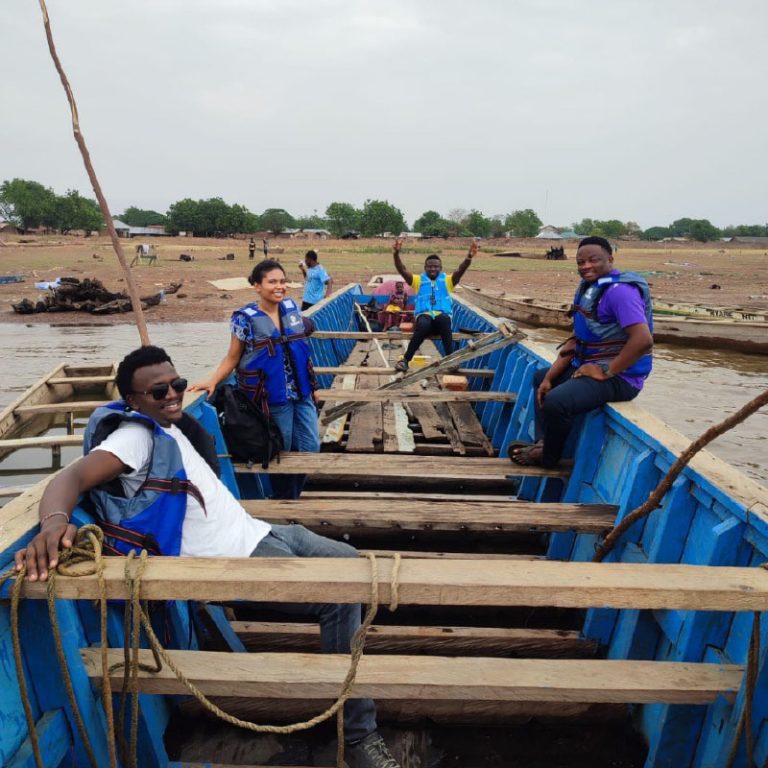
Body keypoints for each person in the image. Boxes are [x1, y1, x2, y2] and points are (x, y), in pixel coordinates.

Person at [14, 345, 400, 768]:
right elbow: (71, 475)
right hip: (236, 560)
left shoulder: (170, 422)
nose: (172, 395)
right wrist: (53, 522)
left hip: (264, 532)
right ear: (133, 401)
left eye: (176, 384)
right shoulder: (134, 437)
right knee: (341, 596)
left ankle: (342, 669)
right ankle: (358, 736)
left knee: (355, 564)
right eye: (158, 391)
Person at [509, 236, 653, 468]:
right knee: (541, 379)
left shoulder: (620, 292)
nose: (586, 266)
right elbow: (577, 342)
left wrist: (606, 371)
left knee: (557, 401)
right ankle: (544, 442)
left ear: (610, 259)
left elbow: (643, 340)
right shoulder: (590, 288)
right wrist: (549, 377)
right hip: (590, 366)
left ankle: (549, 457)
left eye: (593, 260)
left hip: (622, 378)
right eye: (580, 262)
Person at [190, 259, 320, 499]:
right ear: (257, 286)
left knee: (311, 446)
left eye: (282, 281)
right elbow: (232, 357)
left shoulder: (290, 308)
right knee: (281, 451)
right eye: (272, 282)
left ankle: (295, 493)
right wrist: (212, 380)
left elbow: (300, 347)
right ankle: (286, 500)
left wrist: (314, 389)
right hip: (271, 398)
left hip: (301, 394)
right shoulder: (244, 319)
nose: (279, 286)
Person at [392, 238, 477, 372]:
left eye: (436, 266)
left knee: (444, 320)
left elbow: (460, 270)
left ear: (440, 268)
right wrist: (396, 254)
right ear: (425, 268)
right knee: (423, 324)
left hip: (441, 321)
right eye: (430, 266)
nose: (433, 269)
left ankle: (450, 360)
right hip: (424, 318)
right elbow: (402, 269)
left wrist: (468, 257)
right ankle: (406, 360)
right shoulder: (418, 280)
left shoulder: (448, 281)